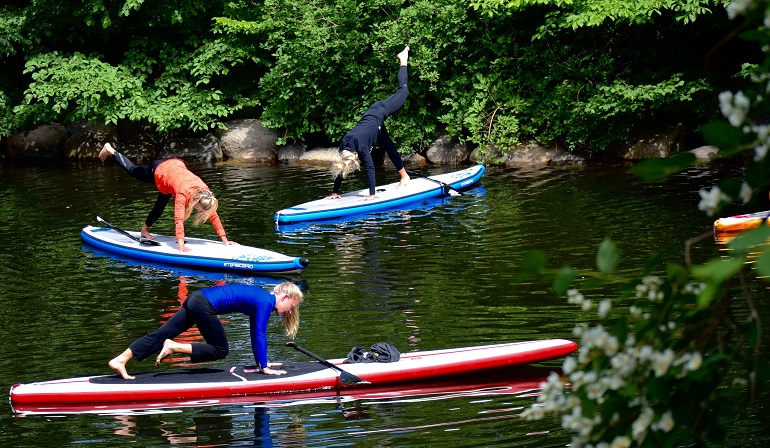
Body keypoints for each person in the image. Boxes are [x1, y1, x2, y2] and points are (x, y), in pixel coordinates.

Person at [108, 282, 304, 380]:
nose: (290, 311)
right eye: (292, 306)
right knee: (221, 350)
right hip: (205, 305)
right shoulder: (266, 301)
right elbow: (260, 334)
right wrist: (265, 369)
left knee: (161, 333)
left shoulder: (261, 298)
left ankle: (120, 360)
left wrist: (262, 362)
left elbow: (255, 333)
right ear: (284, 297)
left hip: (197, 298)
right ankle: (174, 347)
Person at [99, 143, 234, 252]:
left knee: (160, 207)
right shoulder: (183, 193)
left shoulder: (205, 192)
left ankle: (144, 230)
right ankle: (111, 150)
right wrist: (180, 245)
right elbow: (178, 219)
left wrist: (224, 239)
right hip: (159, 169)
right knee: (133, 171)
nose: (200, 212)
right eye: (200, 210)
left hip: (174, 170)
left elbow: (213, 215)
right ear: (197, 202)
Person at [328, 46, 411, 201]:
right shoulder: (343, 147)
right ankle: (404, 177)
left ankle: (403, 59)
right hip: (373, 119)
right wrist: (335, 192)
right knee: (389, 146)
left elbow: (371, 169)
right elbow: (341, 167)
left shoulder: (361, 146)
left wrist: (372, 194)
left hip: (381, 111)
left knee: (403, 91)